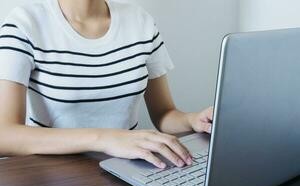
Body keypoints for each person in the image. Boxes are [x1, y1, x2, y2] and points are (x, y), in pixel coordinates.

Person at [0, 0, 213, 169]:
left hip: (127, 169)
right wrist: (105, 139)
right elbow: (5, 136)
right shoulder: (24, 24)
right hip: (51, 173)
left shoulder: (140, 21)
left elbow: (164, 113)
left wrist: (192, 120)